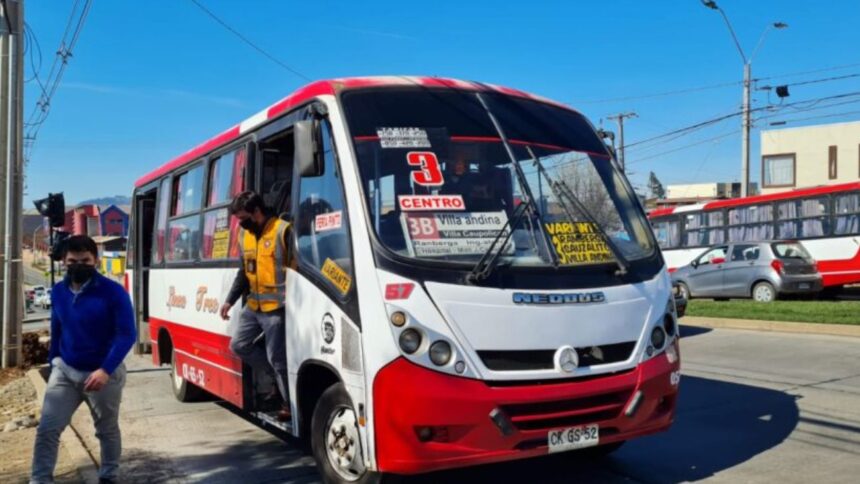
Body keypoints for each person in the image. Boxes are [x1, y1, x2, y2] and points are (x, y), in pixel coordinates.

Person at [31, 235, 135, 484]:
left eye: (85, 260)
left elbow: (127, 334)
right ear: (64, 262)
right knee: (47, 429)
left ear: (95, 260)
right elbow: (57, 329)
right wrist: (53, 360)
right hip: (65, 372)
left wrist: (105, 370)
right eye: (72, 260)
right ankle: (40, 479)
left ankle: (109, 476)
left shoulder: (113, 293)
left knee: (106, 430)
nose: (79, 265)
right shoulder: (57, 292)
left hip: (103, 376)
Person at [219, 191, 291, 421]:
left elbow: (296, 268)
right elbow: (244, 271)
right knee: (238, 345)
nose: (240, 223)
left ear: (256, 212)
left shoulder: (282, 230)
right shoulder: (245, 235)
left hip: (277, 308)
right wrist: (230, 300)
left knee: (277, 358)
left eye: (242, 218)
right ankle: (274, 380)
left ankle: (287, 403)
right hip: (254, 306)